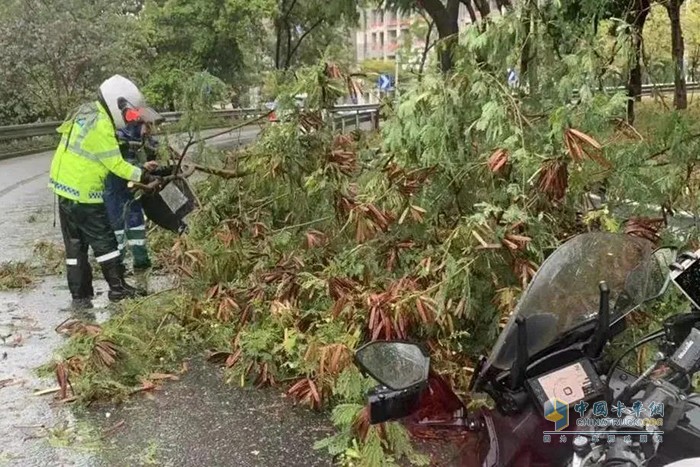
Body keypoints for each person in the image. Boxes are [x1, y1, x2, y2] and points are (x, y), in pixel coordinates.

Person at [49, 74, 163, 309]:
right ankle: (118, 288)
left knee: (75, 246)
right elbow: (116, 165)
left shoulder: (86, 112)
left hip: (64, 189)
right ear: (115, 103)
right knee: (105, 241)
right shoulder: (102, 125)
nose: (127, 118)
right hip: (83, 192)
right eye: (126, 113)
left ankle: (80, 294)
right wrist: (143, 174)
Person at [104, 119, 160, 271]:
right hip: (115, 192)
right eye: (147, 126)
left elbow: (152, 148)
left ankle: (141, 261)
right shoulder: (121, 140)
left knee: (136, 226)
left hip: (130, 192)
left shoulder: (140, 139)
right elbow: (123, 168)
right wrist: (143, 168)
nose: (149, 131)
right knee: (118, 230)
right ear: (137, 124)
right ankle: (117, 267)